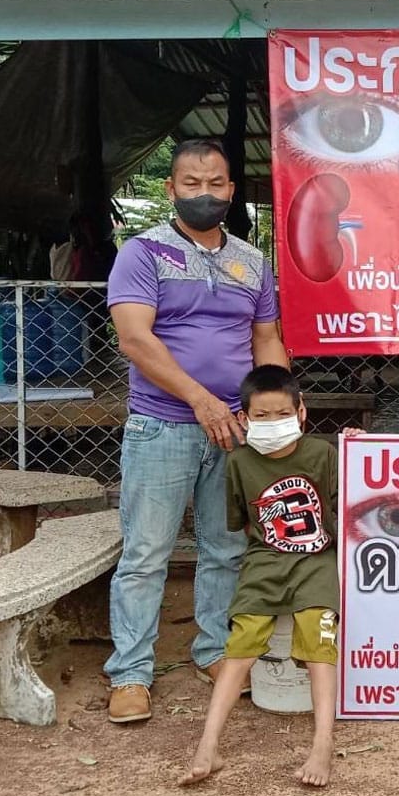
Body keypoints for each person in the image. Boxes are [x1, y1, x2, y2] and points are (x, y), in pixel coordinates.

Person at [105, 138, 289, 725]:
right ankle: (131, 673)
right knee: (146, 553)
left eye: (215, 185)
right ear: (171, 189)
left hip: (234, 428)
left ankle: (213, 651)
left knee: (226, 548)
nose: (203, 194)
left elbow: (266, 338)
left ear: (231, 191)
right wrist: (202, 400)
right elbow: (135, 339)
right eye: (191, 183)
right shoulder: (142, 253)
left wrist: (279, 402)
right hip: (162, 425)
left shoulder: (251, 262)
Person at [179, 365, 342, 788]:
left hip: (317, 561)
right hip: (264, 562)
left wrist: (358, 446)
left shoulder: (323, 454)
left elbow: (344, 505)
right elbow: (245, 525)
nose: (273, 423)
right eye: (262, 416)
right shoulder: (238, 462)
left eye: (283, 414)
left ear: (301, 412)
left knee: (319, 636)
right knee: (240, 644)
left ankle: (322, 743)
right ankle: (208, 745)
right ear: (244, 418)